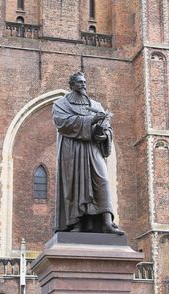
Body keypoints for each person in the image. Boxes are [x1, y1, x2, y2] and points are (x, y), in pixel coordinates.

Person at [52, 72, 123, 235]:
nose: (83, 85)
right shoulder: (61, 104)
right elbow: (62, 122)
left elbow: (107, 129)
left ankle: (106, 223)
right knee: (75, 185)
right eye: (79, 82)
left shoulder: (96, 105)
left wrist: (103, 133)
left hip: (92, 148)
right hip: (73, 148)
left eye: (84, 82)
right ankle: (76, 224)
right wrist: (90, 120)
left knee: (102, 180)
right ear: (72, 85)